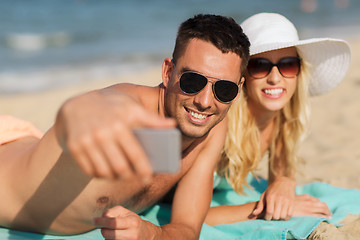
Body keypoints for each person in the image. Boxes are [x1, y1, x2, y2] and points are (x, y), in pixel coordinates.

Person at [0, 14, 250, 239]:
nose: (205, 101)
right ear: (167, 72)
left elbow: (186, 228)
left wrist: (150, 234)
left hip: (24, 144)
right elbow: (81, 114)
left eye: (224, 90)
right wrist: (76, 114)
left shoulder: (212, 128)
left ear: (237, 91)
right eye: (192, 81)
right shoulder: (128, 110)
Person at [204, 12, 351, 225]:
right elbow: (190, 216)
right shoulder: (218, 125)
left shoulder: (279, 120)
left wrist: (284, 181)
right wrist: (262, 209)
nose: (274, 78)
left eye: (288, 65)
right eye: (260, 66)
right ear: (242, 74)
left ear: (300, 72)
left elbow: (282, 166)